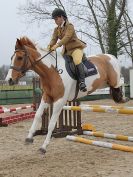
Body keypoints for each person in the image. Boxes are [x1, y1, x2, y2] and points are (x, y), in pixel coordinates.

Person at [48, 8, 87, 92]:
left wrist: (57, 45)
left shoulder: (70, 26)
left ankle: (82, 82)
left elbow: (67, 37)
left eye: (56, 18)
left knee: (76, 60)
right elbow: (53, 39)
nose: (55, 21)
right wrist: (49, 46)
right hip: (66, 51)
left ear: (62, 17)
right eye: (54, 19)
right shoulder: (56, 29)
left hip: (76, 49)